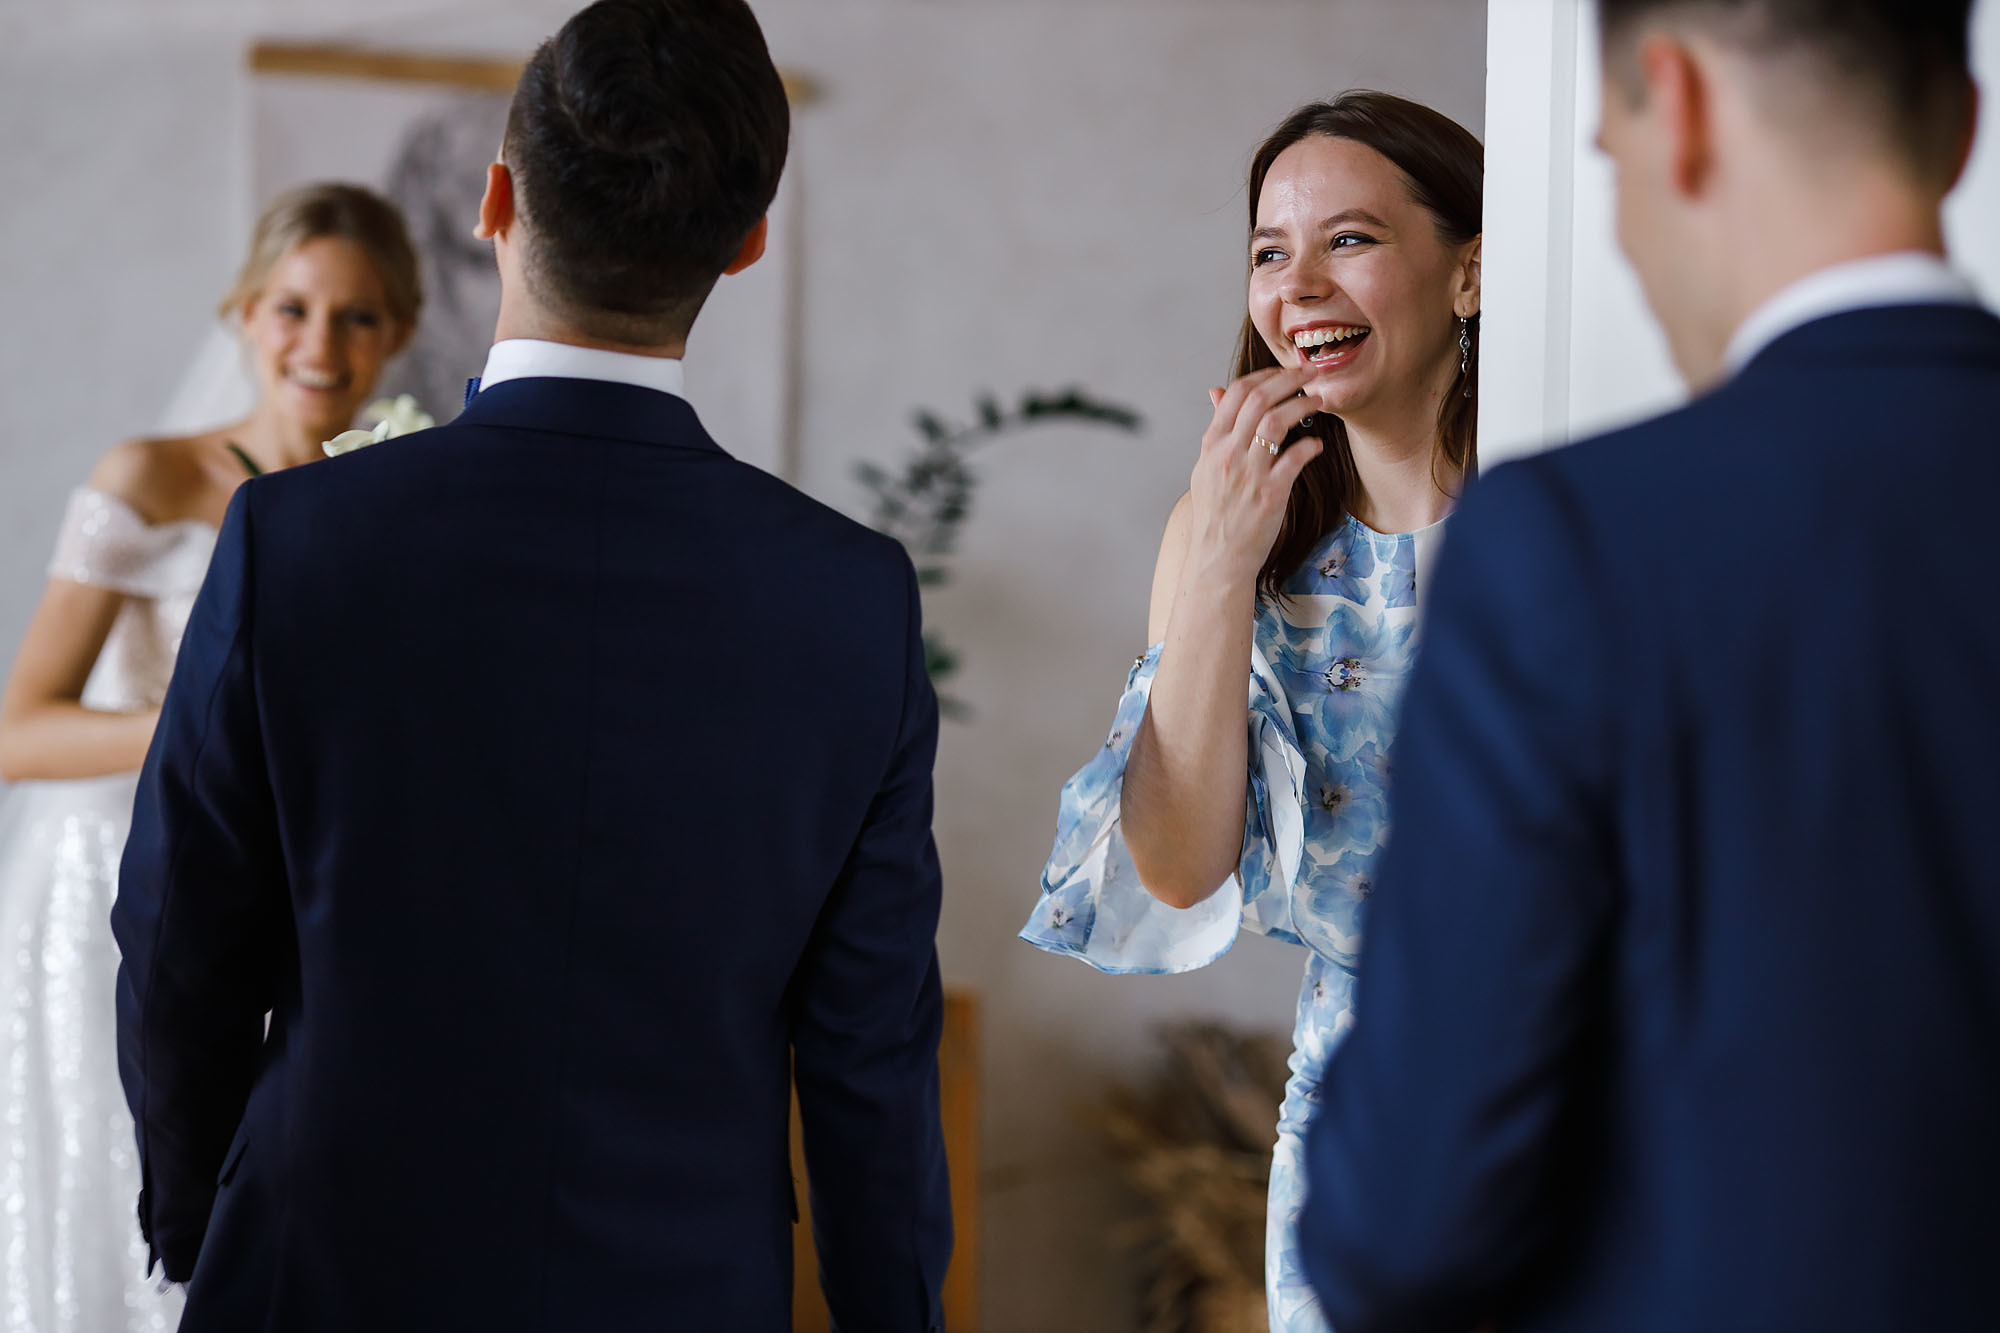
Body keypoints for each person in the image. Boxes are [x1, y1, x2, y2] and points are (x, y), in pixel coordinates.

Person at [109, 1, 953, 1328]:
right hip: (684, 1290)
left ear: (495, 201)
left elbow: (179, 939)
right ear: (747, 242)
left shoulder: (296, 538)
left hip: (323, 1269)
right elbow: (871, 1053)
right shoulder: (852, 599)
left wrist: (195, 1221)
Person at [1300, 3, 1998, 1330]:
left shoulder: (1572, 543)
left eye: (1602, 157)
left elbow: (1403, 1219)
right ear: (1959, 130)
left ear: (1671, 104)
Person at [1021, 91, 1482, 1331]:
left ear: (1468, 272)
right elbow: (1177, 867)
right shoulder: (1225, 534)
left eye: (1349, 239)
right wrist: (1224, 559)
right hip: (1358, 1120)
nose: (1298, 286)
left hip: (1580, 1083)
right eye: (1270, 252)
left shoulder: (1552, 507)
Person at [0, 181, 418, 1333]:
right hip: (111, 890)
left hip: (286, 910)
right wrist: (202, 724)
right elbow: (18, 730)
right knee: (119, 1199)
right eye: (293, 308)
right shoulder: (149, 479)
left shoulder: (392, 497)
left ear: (400, 330)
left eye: (358, 316)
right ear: (242, 313)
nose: (320, 344)